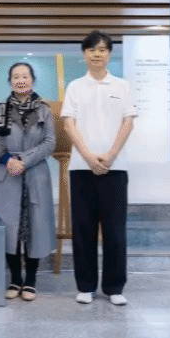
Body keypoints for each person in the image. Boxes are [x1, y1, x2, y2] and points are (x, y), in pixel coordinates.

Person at [62, 30, 136, 306]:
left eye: (103, 49)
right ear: (84, 54)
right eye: (92, 50)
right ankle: (86, 286)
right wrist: (89, 157)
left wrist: (111, 155)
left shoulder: (122, 86)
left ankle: (115, 287)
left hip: (115, 169)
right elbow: (68, 123)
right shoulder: (75, 87)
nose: (97, 54)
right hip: (81, 168)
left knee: (115, 231)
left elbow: (128, 122)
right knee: (83, 230)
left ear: (109, 54)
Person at [0, 62, 56, 302]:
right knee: (10, 227)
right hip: (7, 175)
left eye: (25, 76)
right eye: (16, 77)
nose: (21, 80)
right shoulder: (0, 109)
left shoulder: (44, 109)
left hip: (35, 173)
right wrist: (8, 159)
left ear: (32, 80)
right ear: (10, 81)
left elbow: (49, 143)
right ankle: (15, 278)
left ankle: (31, 280)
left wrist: (24, 161)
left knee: (35, 226)